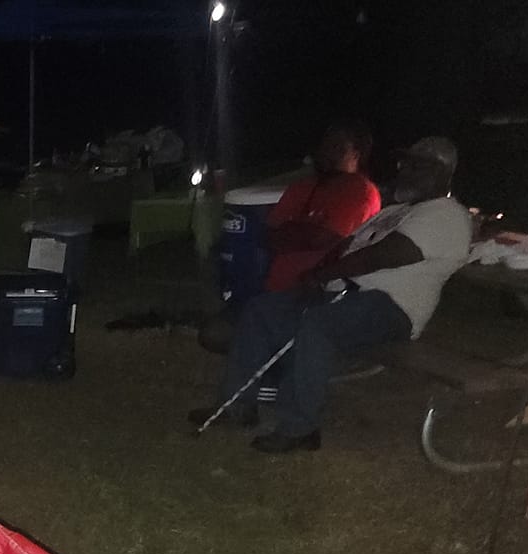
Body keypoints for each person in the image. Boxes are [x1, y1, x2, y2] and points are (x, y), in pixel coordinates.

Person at [192, 136, 473, 454]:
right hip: (342, 294)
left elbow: (384, 255)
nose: (405, 170)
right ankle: (236, 406)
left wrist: (322, 275)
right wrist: (319, 276)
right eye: (404, 163)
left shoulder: (446, 214)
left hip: (390, 307)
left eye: (417, 166)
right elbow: (345, 246)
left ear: (442, 173)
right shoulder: (395, 212)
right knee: (263, 309)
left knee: (318, 324)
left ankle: (300, 428)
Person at [263, 121, 381, 292]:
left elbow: (323, 239)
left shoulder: (360, 191)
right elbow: (268, 236)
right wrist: (309, 231)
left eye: (336, 147)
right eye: (325, 144)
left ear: (356, 154)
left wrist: (292, 229)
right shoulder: (302, 186)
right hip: (277, 287)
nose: (326, 152)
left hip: (323, 291)